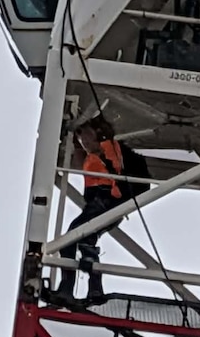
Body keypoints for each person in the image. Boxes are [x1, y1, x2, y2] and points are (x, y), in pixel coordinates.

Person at [53, 117, 151, 304]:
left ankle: (69, 287)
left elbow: (136, 178)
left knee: (71, 240)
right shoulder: (95, 156)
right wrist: (73, 137)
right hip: (100, 204)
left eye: (87, 135)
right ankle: (93, 289)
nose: (84, 141)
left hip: (108, 202)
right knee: (85, 242)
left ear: (99, 133)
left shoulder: (113, 150)